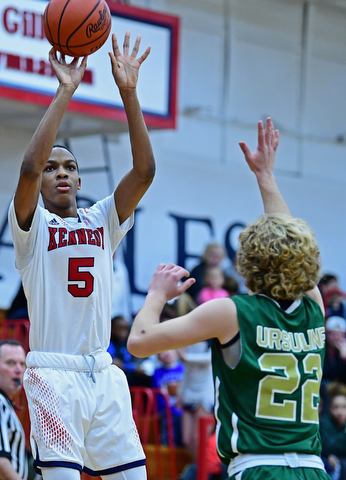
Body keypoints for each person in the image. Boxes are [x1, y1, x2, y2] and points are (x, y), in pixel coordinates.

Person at [128, 118, 330, 480]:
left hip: (259, 468)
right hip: (313, 470)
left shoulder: (232, 313)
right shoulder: (314, 305)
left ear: (246, 263)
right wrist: (266, 177)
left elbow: (140, 343)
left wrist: (156, 296)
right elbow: (289, 243)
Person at [8, 31, 155, 480]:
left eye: (69, 165)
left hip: (103, 372)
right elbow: (28, 168)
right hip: (53, 375)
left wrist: (128, 93)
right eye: (53, 168)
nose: (60, 173)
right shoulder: (34, 227)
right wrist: (65, 90)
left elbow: (145, 171)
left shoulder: (102, 218)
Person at [0, 339, 28, 480]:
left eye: (22, 364)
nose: (19, 370)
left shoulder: (5, 403)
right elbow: (0, 461)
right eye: (10, 363)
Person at [152, 349, 185, 446]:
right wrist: (156, 412)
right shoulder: (157, 373)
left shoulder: (184, 369)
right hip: (166, 411)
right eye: (162, 351)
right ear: (158, 356)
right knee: (168, 437)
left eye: (170, 349)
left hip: (182, 410)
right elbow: (156, 395)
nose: (166, 353)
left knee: (182, 435)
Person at [108, 315, 151, 387]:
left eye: (125, 328)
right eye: (120, 328)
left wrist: (137, 368)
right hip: (116, 375)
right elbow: (113, 361)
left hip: (131, 372)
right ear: (112, 329)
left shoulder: (129, 342)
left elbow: (131, 360)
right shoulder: (109, 343)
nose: (123, 332)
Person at [319, 382, 346, 479]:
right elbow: (329, 446)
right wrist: (344, 434)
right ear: (329, 408)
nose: (340, 412)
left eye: (344, 407)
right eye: (336, 407)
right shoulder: (325, 423)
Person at [322, 316, 346, 386]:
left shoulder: (343, 350)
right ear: (327, 335)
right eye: (333, 334)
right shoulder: (323, 350)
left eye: (339, 334)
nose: (336, 337)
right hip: (324, 387)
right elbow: (327, 374)